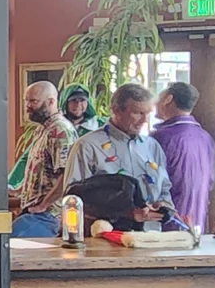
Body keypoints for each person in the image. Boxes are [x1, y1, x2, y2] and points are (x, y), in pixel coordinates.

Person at [69, 83, 174, 226]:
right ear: (116, 110)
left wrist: (164, 207)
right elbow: (72, 199)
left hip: (150, 237)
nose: (144, 121)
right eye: (138, 113)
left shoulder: (152, 146)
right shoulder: (88, 146)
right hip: (105, 238)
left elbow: (165, 188)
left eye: (147, 113)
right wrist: (126, 213)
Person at [10, 81, 79, 238]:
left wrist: (44, 204)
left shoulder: (60, 130)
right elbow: (42, 172)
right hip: (33, 211)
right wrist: (18, 191)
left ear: (51, 102)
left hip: (48, 215)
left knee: (8, 248)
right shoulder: (42, 129)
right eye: (26, 101)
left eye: (33, 101)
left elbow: (67, 176)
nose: (27, 106)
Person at [153, 82, 215, 229]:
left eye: (159, 98)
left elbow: (152, 184)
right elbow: (211, 181)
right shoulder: (205, 137)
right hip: (196, 219)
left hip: (167, 222)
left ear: (168, 99)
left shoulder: (161, 137)